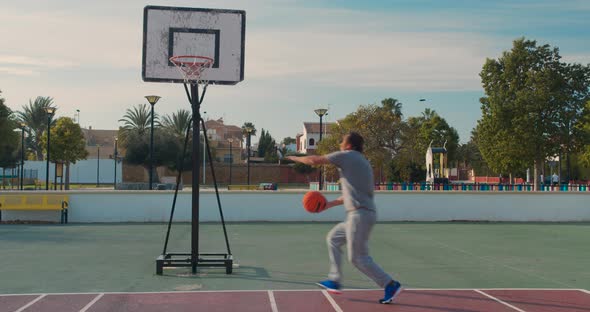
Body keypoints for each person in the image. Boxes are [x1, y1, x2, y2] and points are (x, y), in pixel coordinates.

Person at [287, 132, 402, 304]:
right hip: (360, 213)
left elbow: (314, 160)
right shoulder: (363, 162)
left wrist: (294, 158)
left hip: (359, 215)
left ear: (349, 145)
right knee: (333, 238)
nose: (340, 143)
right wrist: (328, 204)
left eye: (342, 141)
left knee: (358, 258)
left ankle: (389, 284)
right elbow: (351, 195)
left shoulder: (347, 156)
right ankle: (334, 280)